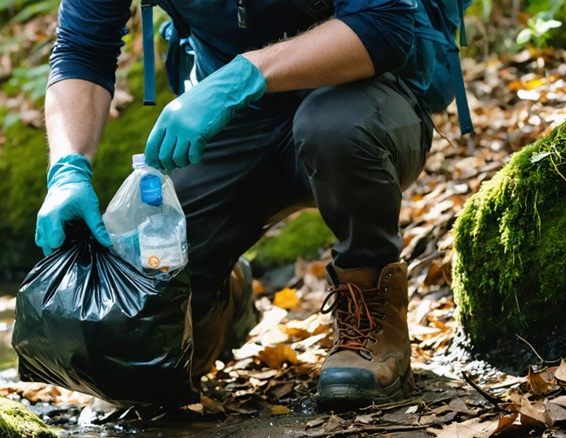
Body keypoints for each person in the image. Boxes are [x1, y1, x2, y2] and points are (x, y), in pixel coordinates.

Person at [34, 0, 433, 410]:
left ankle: (372, 319)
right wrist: (68, 168)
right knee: (130, 346)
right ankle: (222, 302)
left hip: (365, 102)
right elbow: (82, 49)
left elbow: (383, 24)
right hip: (232, 119)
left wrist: (245, 75)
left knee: (334, 127)